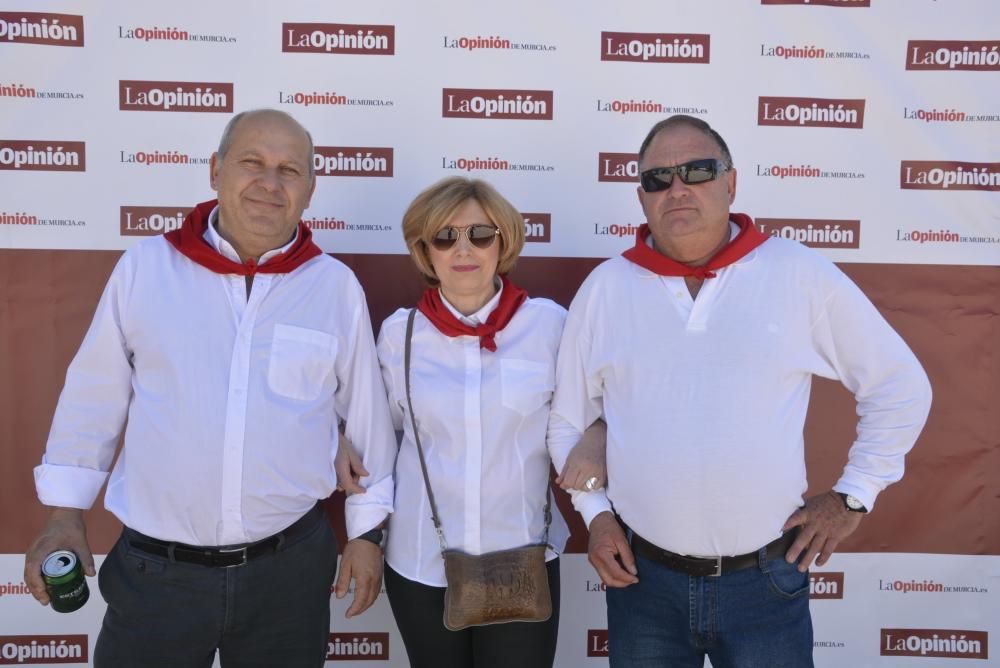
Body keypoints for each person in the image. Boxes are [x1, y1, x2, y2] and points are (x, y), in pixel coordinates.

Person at [546, 115, 933, 668]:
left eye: (697, 171)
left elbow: (899, 385)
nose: (676, 189)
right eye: (658, 178)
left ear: (731, 183)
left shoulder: (797, 274)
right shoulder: (607, 288)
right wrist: (595, 514)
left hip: (766, 583)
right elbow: (566, 420)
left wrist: (854, 496)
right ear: (641, 197)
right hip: (644, 584)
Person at [23, 109, 396, 668]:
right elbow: (93, 396)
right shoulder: (147, 268)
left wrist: (367, 534)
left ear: (311, 190)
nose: (270, 183)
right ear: (215, 169)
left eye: (290, 170)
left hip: (288, 576)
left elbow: (363, 417)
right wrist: (63, 514)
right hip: (157, 578)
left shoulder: (334, 287)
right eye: (253, 162)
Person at [337, 176, 605, 668]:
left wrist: (601, 434)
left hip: (523, 559)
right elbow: (379, 439)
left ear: (503, 242)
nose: (464, 248)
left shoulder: (549, 326)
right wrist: (363, 528)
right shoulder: (401, 336)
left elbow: (589, 413)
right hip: (421, 563)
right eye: (445, 236)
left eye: (480, 234)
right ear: (425, 250)